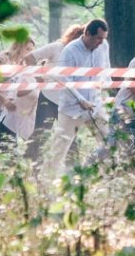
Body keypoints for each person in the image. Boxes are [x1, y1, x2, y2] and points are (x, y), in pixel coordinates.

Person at [44, 18, 112, 183]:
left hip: (96, 105)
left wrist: (107, 87)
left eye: (103, 38)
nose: (101, 42)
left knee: (110, 141)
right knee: (59, 148)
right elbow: (65, 80)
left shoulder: (104, 46)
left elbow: (106, 70)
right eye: (98, 38)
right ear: (87, 34)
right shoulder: (70, 51)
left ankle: (106, 180)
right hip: (72, 108)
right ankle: (45, 181)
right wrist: (81, 100)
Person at [24, 24, 85, 161]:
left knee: (70, 137)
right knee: (41, 133)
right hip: (49, 97)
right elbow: (29, 58)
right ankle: (30, 164)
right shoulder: (57, 47)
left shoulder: (82, 54)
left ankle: (73, 170)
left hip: (68, 101)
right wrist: (38, 77)